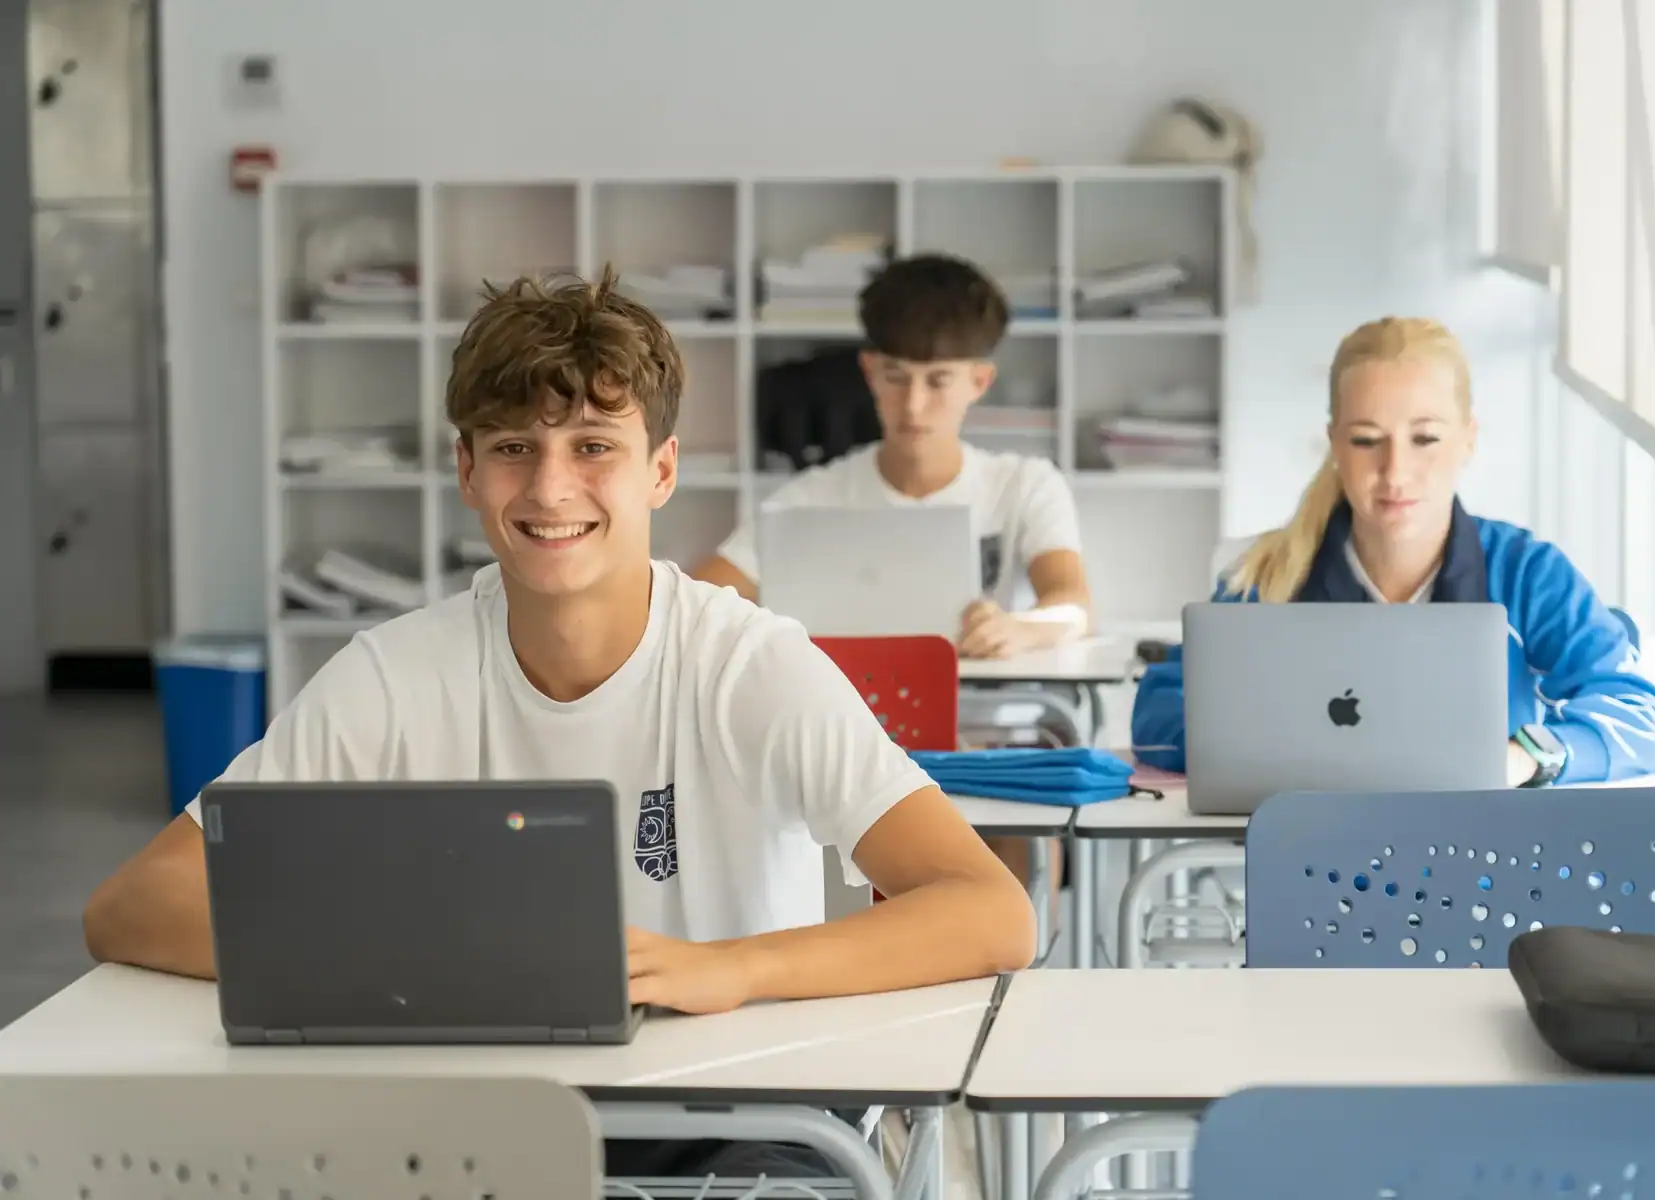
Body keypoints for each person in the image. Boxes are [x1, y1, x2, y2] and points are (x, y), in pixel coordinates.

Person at [83, 270, 1036, 1179]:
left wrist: (728, 970)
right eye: (510, 448)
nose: (547, 489)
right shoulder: (394, 671)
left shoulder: (749, 663)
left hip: (743, 1115)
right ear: (466, 468)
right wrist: (405, 963)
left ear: (660, 471)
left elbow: (989, 909)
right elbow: (134, 903)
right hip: (485, 1119)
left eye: (592, 447)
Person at [1132, 316, 1655, 787]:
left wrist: (1525, 757)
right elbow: (1159, 717)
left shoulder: (1527, 574)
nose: (1395, 472)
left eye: (1425, 439)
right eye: (1367, 440)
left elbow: (1642, 713)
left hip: (1492, 871)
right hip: (1313, 865)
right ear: (1335, 444)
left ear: (1468, 438)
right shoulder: (1268, 578)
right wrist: (1278, 748)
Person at [688, 253, 1093, 660]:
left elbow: (1073, 603)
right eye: (895, 377)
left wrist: (1024, 628)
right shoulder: (814, 497)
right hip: (847, 712)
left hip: (988, 712)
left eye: (938, 381)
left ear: (979, 381)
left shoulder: (1024, 485)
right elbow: (701, 597)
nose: (913, 406)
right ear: (869, 372)